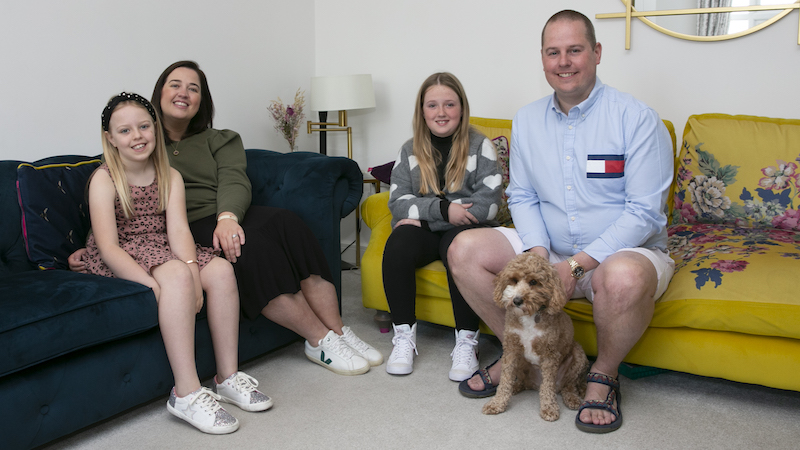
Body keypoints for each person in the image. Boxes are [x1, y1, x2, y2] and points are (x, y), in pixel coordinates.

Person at [72, 61, 381, 377]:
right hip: (183, 227)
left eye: (194, 88)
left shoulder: (218, 139)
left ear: (202, 100)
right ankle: (319, 339)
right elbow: (119, 198)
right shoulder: (140, 139)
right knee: (249, 250)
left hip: (220, 215)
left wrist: (228, 217)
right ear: (158, 95)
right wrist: (95, 246)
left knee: (289, 224)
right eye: (175, 84)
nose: (184, 93)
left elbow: (234, 178)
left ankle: (339, 332)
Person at [447, 10, 675, 434]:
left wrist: (573, 266)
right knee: (464, 250)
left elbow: (643, 212)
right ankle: (520, 354)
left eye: (574, 50)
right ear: (543, 59)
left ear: (596, 53)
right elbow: (524, 195)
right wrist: (538, 258)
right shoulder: (528, 119)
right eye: (554, 53)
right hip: (548, 249)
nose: (564, 61)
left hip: (622, 252)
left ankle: (603, 376)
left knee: (622, 277)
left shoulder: (637, 119)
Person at [85, 92, 272, 434]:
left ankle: (227, 376)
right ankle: (185, 393)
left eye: (143, 126)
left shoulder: (169, 175)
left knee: (220, 270)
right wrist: (152, 284)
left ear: (155, 129)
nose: (137, 136)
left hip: (159, 243)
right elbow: (109, 246)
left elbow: (179, 230)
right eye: (125, 131)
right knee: (174, 274)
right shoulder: (104, 178)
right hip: (122, 250)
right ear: (110, 139)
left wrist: (190, 266)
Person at [383, 72, 501, 379]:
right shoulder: (410, 149)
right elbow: (396, 202)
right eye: (433, 105)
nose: (441, 112)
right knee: (398, 245)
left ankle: (467, 340)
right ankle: (404, 336)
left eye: (449, 104)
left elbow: (489, 203)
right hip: (431, 228)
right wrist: (442, 209)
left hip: (466, 231)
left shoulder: (480, 145)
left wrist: (422, 214)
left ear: (461, 108)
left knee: (457, 249)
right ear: (422, 111)